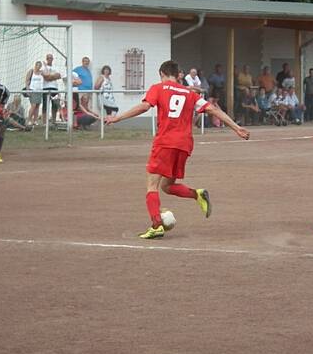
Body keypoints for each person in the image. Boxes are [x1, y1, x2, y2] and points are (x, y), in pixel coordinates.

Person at [105, 60, 250, 239]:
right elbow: (212, 109)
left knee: (152, 185)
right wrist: (236, 127)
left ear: (162, 74)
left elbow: (144, 106)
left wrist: (117, 118)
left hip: (165, 142)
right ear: (177, 74)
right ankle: (197, 195)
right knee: (167, 185)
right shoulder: (190, 94)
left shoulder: (158, 88)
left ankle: (156, 225)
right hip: (184, 145)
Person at [41, 53, 63, 124]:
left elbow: (59, 76)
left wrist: (50, 76)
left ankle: (53, 121)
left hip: (54, 88)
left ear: (53, 59)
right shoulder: (43, 67)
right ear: (46, 59)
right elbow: (45, 77)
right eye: (48, 58)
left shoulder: (56, 67)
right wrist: (53, 76)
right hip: (46, 88)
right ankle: (44, 122)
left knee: (55, 105)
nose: (49, 59)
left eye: (51, 58)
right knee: (45, 105)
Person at [25, 60, 44, 126]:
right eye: (37, 65)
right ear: (35, 65)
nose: (38, 67)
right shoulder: (31, 71)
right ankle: (28, 119)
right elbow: (27, 81)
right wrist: (27, 90)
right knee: (33, 106)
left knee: (37, 106)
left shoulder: (41, 72)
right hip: (32, 90)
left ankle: (35, 120)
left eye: (40, 66)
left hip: (40, 91)